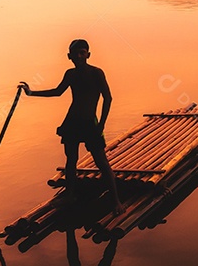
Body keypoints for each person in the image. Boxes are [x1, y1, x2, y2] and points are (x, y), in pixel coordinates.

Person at [20, 40, 125, 215]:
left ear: (88, 55)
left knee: (102, 163)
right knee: (71, 160)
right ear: (69, 57)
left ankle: (116, 201)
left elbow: (108, 98)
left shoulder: (96, 73)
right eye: (75, 54)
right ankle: (70, 195)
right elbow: (57, 91)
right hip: (72, 122)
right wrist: (31, 93)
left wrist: (102, 124)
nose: (79, 56)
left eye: (82, 53)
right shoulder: (70, 74)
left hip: (90, 123)